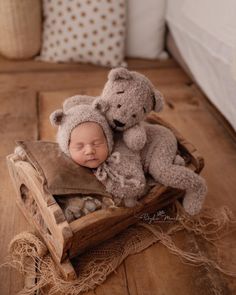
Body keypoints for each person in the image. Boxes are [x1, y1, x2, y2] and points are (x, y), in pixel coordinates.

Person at [50, 99, 146, 213]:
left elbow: (137, 184)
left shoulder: (120, 158)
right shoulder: (66, 169)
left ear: (108, 140)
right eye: (80, 147)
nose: (90, 151)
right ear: (67, 149)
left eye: (97, 143)